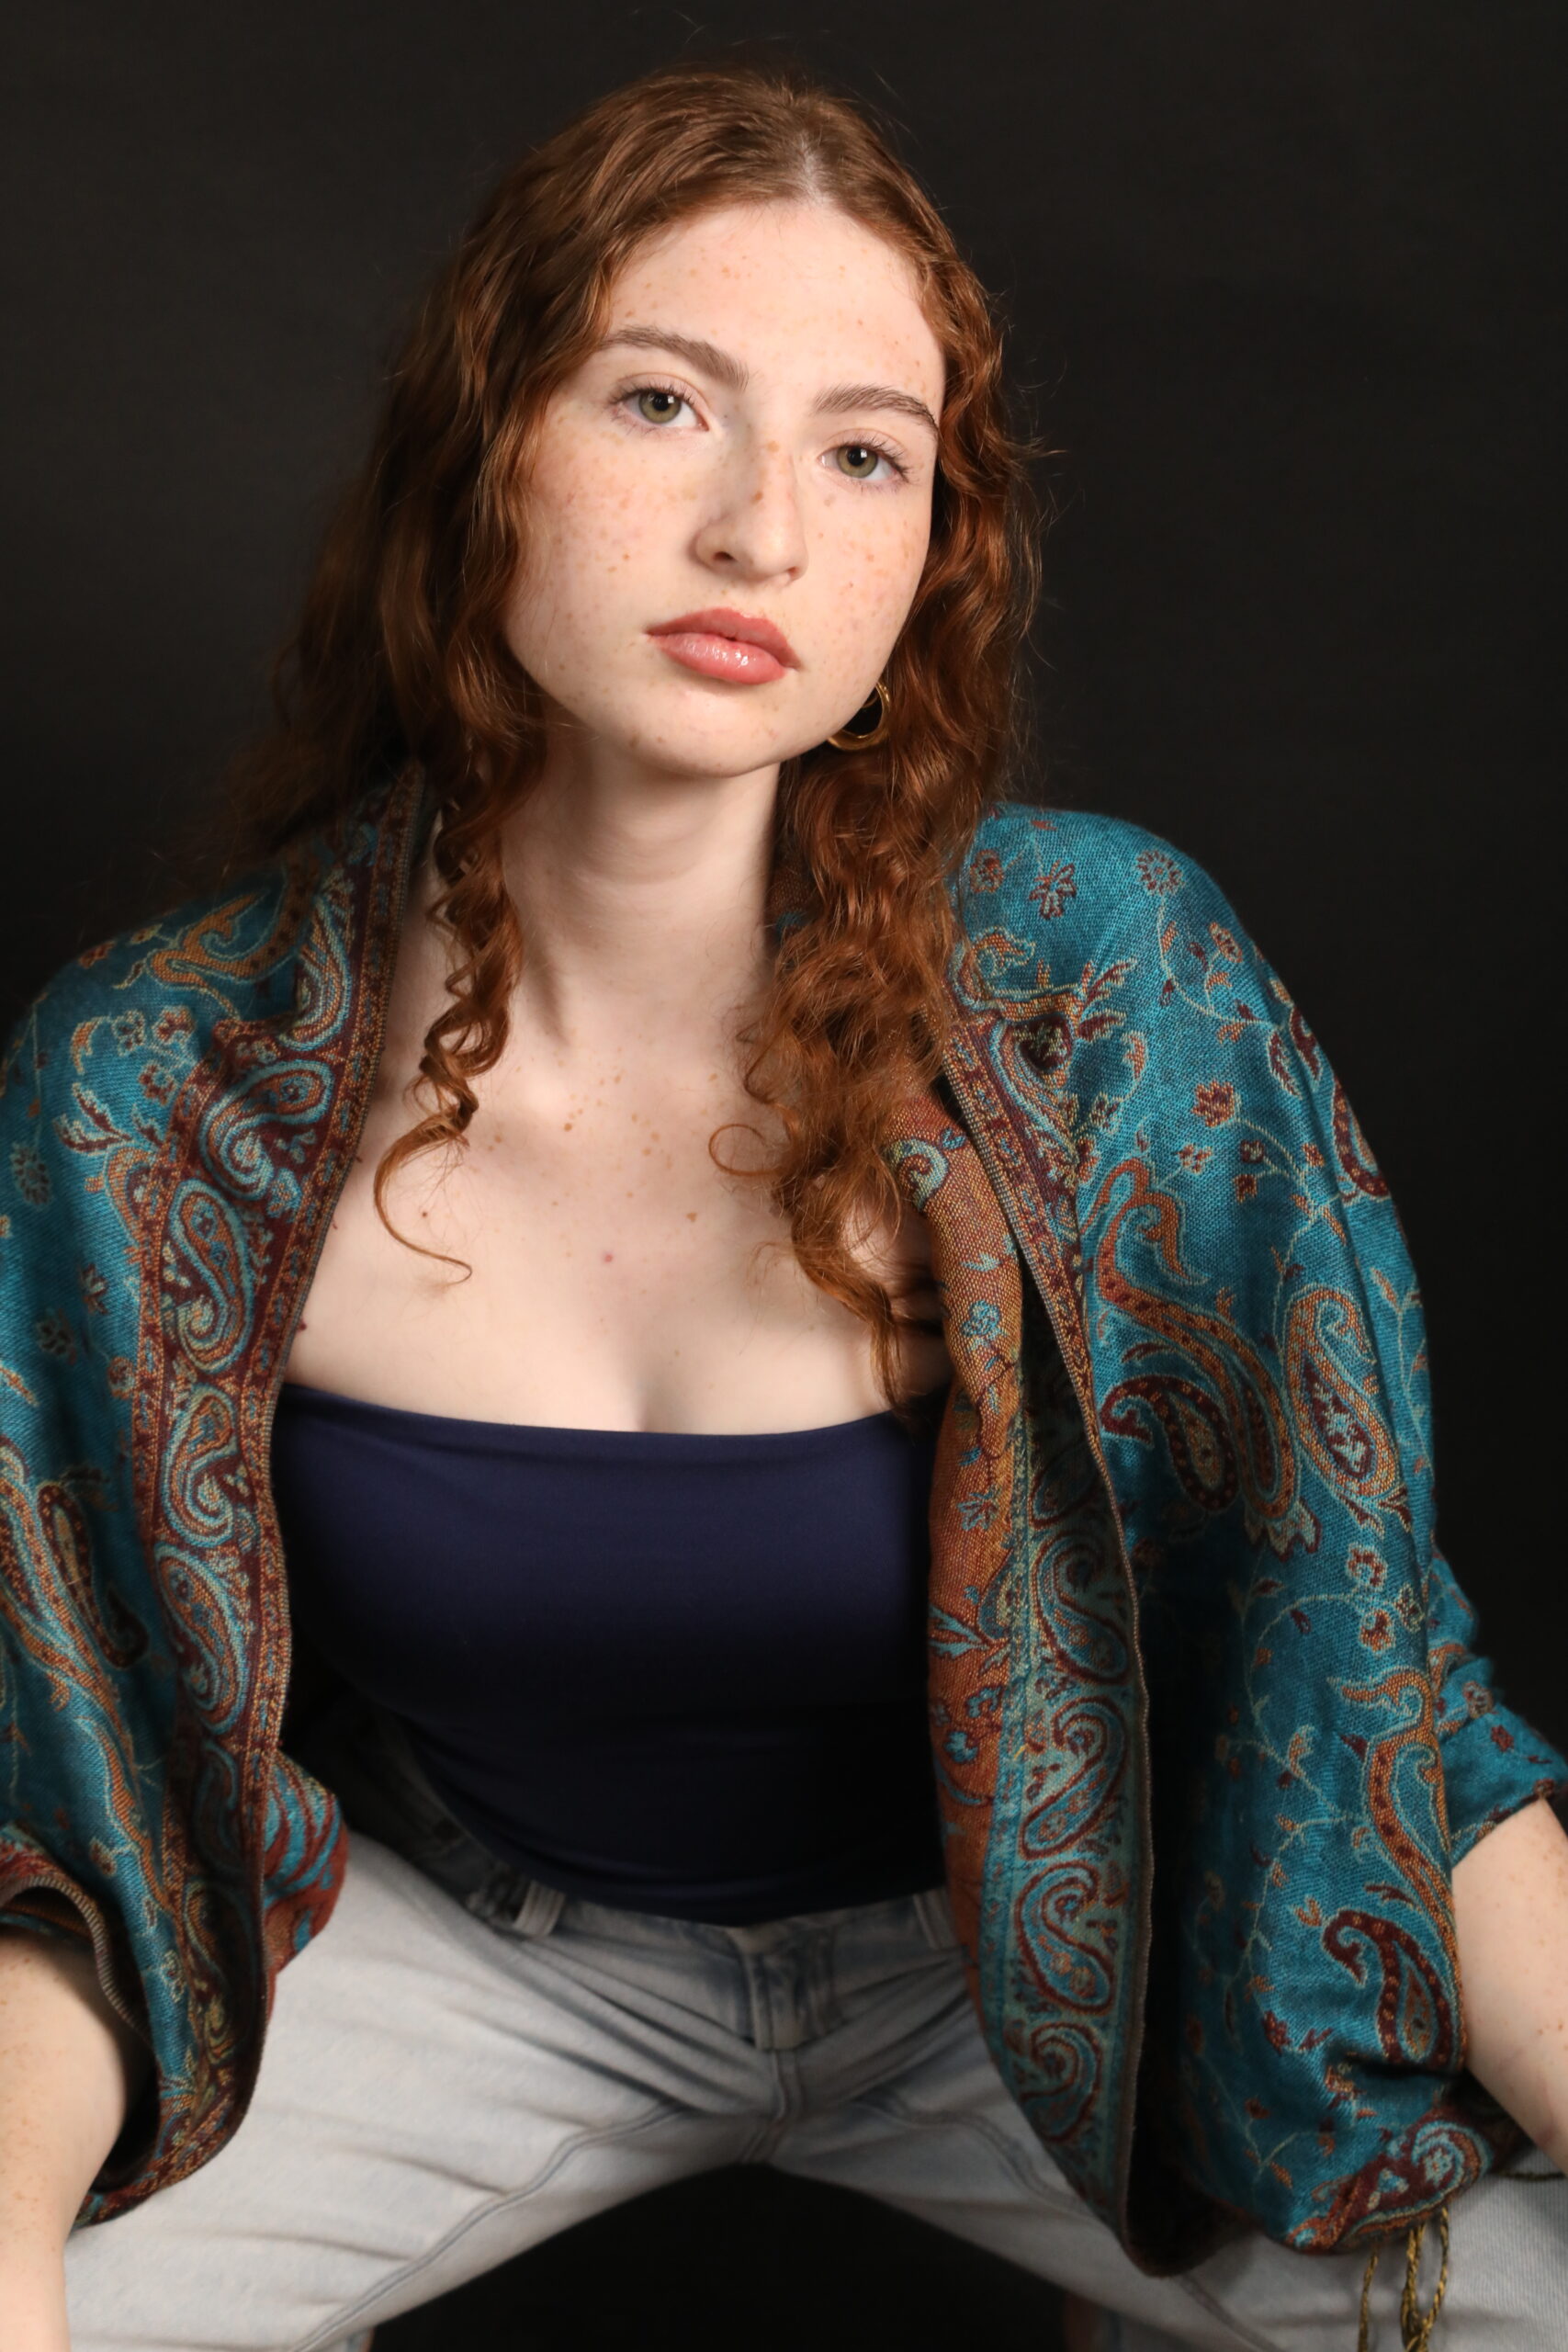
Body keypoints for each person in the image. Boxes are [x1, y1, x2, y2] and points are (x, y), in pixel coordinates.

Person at [1, 58, 1564, 2352]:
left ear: (930, 550)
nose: (759, 531)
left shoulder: (1100, 991)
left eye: (863, 453)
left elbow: (1357, 1689)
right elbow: (68, 1810)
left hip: (1041, 1958)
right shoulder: (155, 1086)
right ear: (481, 443)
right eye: (661, 403)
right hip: (464, 1954)